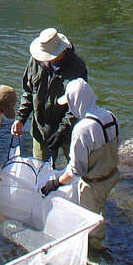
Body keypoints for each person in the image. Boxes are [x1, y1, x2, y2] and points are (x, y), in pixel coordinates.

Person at [40, 78, 119, 241]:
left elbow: (76, 170)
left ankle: (96, 251)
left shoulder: (82, 129)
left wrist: (56, 183)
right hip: (111, 176)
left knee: (91, 224)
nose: (69, 107)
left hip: (94, 184)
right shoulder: (110, 116)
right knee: (100, 210)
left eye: (70, 103)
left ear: (76, 102)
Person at [11, 27, 88, 163]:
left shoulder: (78, 67)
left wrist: (61, 131)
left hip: (68, 131)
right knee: (39, 170)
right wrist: (20, 119)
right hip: (40, 129)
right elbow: (29, 92)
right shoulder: (35, 61)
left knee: (76, 169)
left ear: (62, 50)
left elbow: (76, 105)